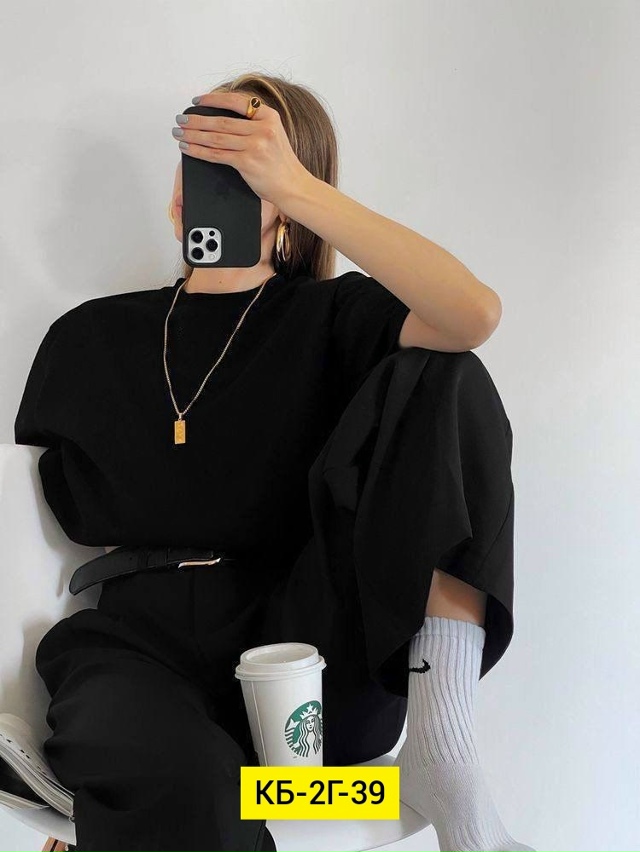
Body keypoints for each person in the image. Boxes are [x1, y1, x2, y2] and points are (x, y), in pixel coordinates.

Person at [14, 72, 535, 852]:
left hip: (309, 649)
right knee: (194, 782)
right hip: (137, 643)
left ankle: (444, 752)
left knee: (447, 371)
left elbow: (472, 314)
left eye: (243, 155)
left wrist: (292, 186)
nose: (214, 174)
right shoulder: (91, 335)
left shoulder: (335, 318)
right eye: (201, 151)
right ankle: (121, 791)